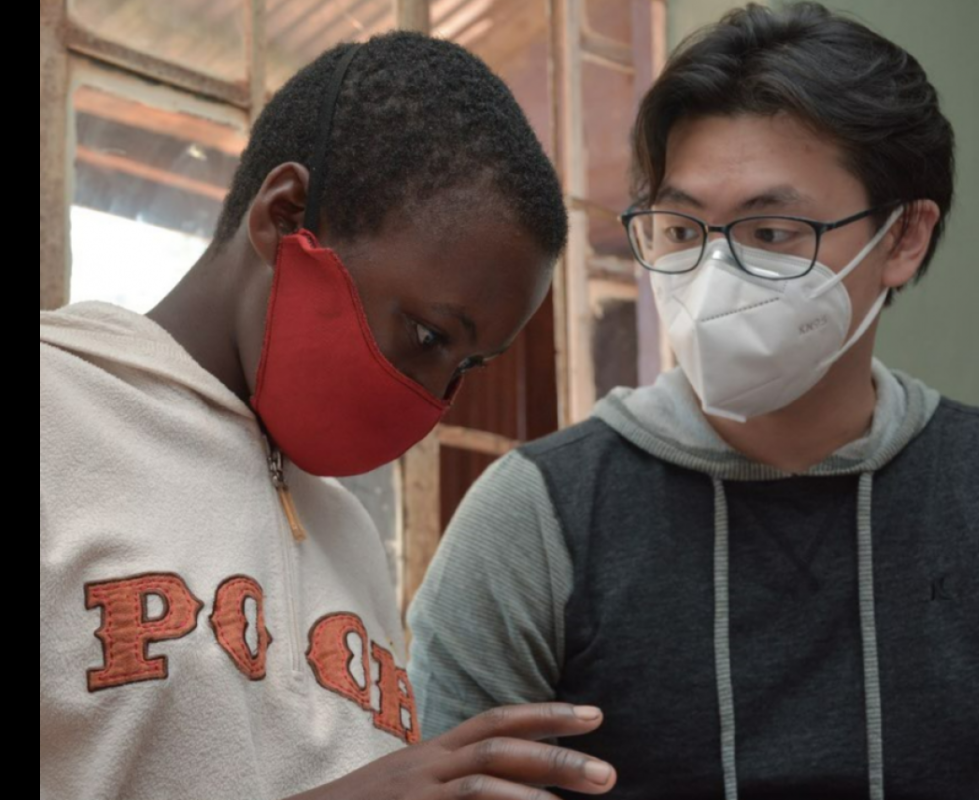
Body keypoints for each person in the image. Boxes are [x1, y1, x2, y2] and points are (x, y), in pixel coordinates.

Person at [406, 4, 979, 799]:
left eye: (771, 232)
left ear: (903, 238)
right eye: (681, 230)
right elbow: (435, 773)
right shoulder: (538, 514)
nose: (712, 276)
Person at [40, 31, 619, 800]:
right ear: (285, 218)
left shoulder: (347, 535)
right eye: (427, 335)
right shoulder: (58, 410)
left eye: (466, 368)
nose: (433, 400)